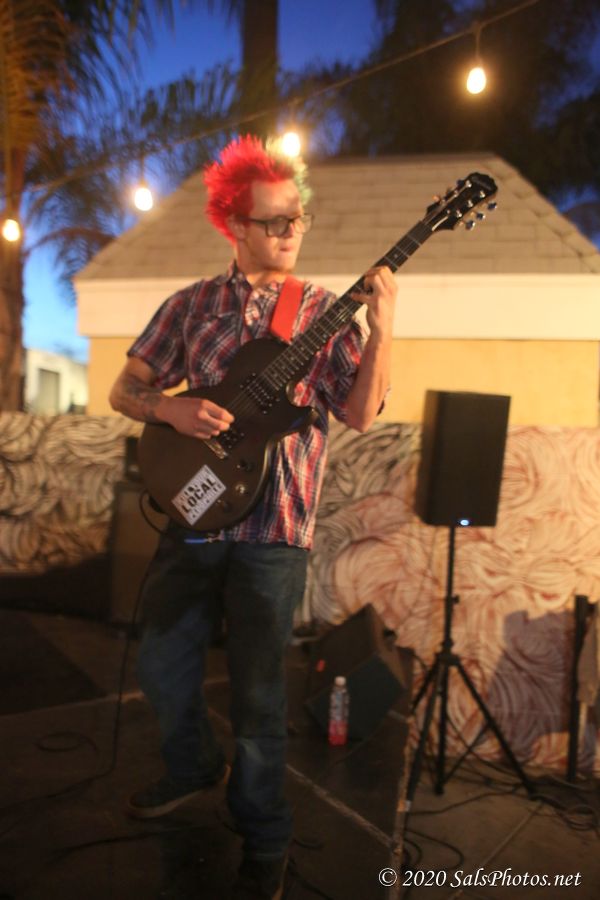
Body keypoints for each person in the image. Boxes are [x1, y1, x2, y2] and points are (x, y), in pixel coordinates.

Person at [109, 135, 397, 900]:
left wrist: (384, 324)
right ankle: (194, 765)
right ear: (234, 226)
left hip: (274, 530)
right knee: (160, 665)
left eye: (297, 218)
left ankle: (264, 833)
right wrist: (169, 409)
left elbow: (361, 412)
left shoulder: (324, 312)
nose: (290, 232)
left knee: (261, 695)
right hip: (195, 513)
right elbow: (123, 389)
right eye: (273, 222)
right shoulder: (191, 306)